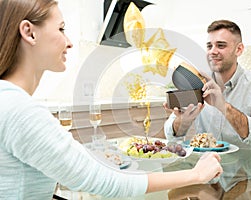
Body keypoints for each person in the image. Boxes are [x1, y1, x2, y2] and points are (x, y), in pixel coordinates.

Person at [0, 0, 223, 199]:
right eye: (61, 29)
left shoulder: (10, 101)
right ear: (29, 32)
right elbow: (106, 182)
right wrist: (196, 174)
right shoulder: (20, 110)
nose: (69, 42)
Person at [164, 20, 251, 153]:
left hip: (247, 170)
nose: (212, 52)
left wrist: (223, 106)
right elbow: (170, 135)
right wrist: (182, 122)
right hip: (207, 169)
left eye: (221, 45)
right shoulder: (196, 83)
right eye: (209, 46)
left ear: (239, 49)